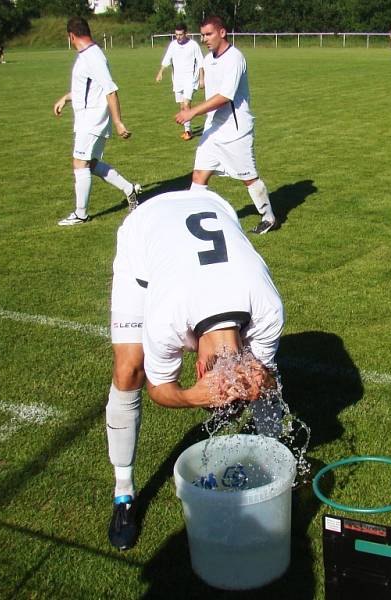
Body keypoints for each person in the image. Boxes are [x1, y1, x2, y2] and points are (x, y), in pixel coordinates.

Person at [105, 186, 285, 550]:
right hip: (144, 236)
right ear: (200, 372)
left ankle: (274, 471)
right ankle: (123, 492)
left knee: (265, 375)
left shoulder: (268, 310)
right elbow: (158, 388)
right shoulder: (166, 318)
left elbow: (265, 375)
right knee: (129, 370)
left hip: (213, 204)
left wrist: (259, 379)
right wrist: (189, 397)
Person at [175, 16, 278, 235]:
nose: (204, 39)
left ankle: (269, 218)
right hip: (214, 130)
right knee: (199, 176)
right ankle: (192, 218)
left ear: (222, 33)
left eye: (209, 34)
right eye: (202, 35)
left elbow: (224, 96)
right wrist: (189, 98)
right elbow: (203, 84)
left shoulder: (235, 58)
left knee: (249, 178)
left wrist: (192, 112)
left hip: (235, 131)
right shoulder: (208, 58)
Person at [53, 17, 141, 225]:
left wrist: (119, 122)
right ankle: (129, 189)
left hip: (92, 120)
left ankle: (81, 214)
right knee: (90, 164)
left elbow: (110, 90)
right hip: (87, 119)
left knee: (80, 163)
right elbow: (86, 88)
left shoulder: (93, 56)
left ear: (71, 36)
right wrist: (65, 98)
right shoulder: (87, 55)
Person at [155, 23, 204, 141]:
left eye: (180, 35)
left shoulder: (193, 45)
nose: (178, 37)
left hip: (190, 79)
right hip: (177, 80)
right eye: (176, 35)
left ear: (186, 33)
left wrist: (202, 79)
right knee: (182, 106)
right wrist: (160, 72)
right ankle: (188, 129)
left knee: (186, 104)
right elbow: (166, 59)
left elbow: (201, 62)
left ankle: (188, 132)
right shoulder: (173, 45)